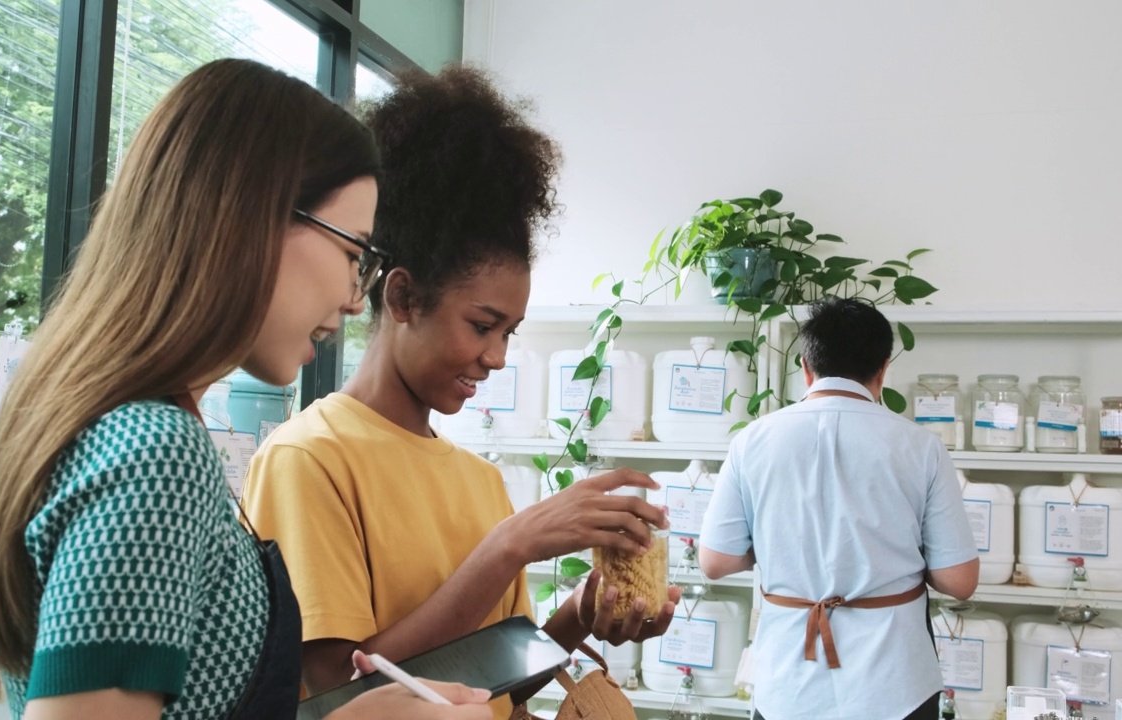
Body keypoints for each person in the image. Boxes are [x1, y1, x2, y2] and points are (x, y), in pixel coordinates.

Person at [0, 59, 492, 720]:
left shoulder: (106, 430)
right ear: (252, 217)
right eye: (354, 253)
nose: (357, 300)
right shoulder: (155, 454)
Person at [241, 65, 679, 717]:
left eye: (511, 332)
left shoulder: (478, 479)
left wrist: (581, 612)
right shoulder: (309, 458)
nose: (497, 357)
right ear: (403, 296)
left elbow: (493, 687)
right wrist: (508, 547)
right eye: (482, 325)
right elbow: (338, 695)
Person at [697, 297, 979, 720]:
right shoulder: (921, 447)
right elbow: (959, 580)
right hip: (895, 685)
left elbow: (715, 561)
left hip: (786, 685)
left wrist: (783, 542)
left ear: (805, 368)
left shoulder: (752, 441)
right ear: (883, 369)